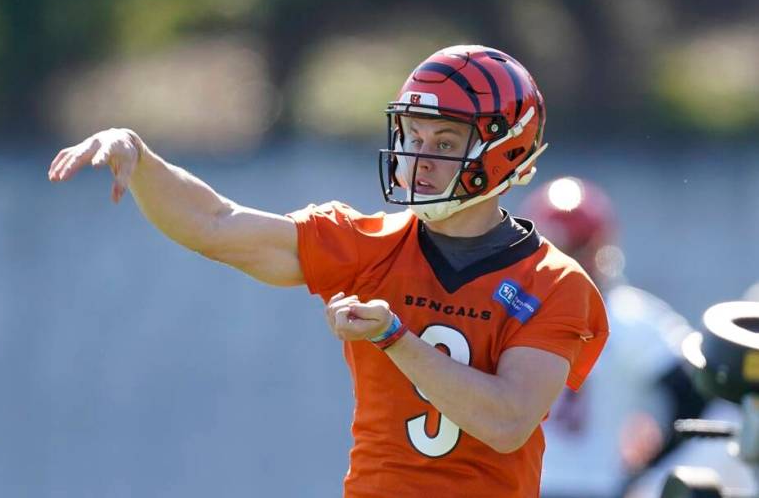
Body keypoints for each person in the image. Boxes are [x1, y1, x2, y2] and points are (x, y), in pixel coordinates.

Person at [48, 44, 609, 498]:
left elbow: (508, 421)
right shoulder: (367, 244)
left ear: (504, 154)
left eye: (443, 142)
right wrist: (141, 158)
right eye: (413, 137)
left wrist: (395, 338)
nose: (420, 158)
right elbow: (216, 226)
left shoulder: (555, 284)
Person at [519, 177, 706, 498]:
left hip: (533, 483)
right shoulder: (633, 317)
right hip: (596, 485)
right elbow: (697, 393)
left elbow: (693, 394)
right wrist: (652, 465)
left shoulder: (511, 312)